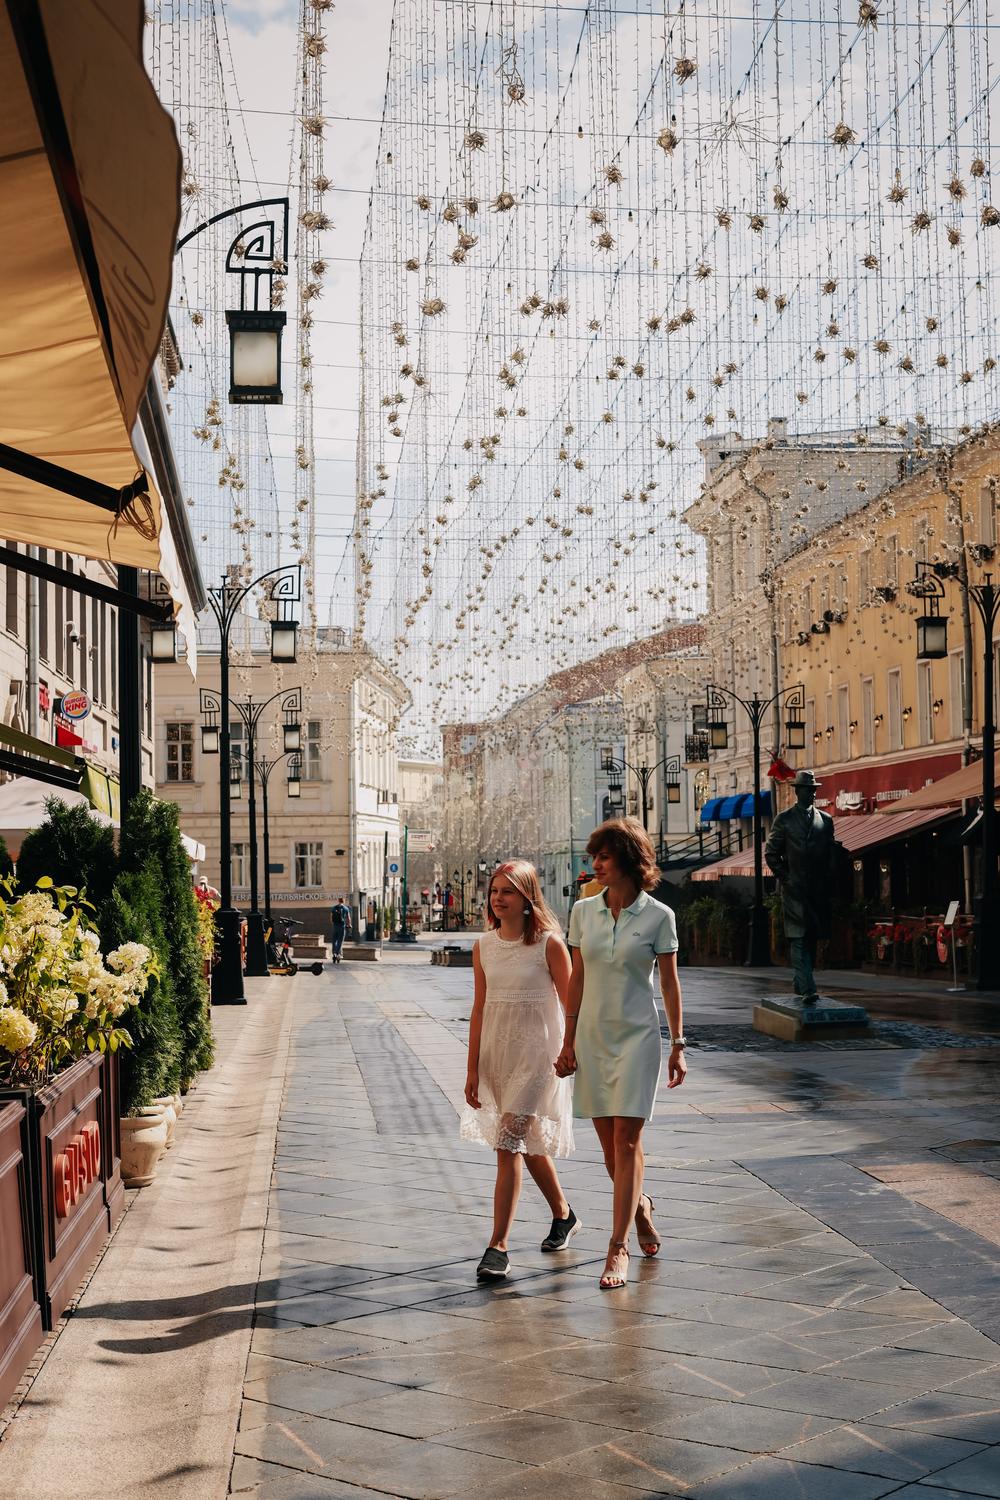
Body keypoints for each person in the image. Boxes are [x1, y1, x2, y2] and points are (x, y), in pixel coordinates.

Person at [556, 818, 687, 1289]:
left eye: (604, 857)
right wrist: (567, 1041)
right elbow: (577, 980)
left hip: (638, 1039)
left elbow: (669, 984)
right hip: (591, 1037)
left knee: (628, 1140)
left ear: (629, 860)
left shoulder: (659, 916)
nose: (595, 865)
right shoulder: (582, 913)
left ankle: (617, 1247)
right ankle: (643, 1209)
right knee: (612, 1153)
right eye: (595, 857)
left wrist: (678, 1044)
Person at [461, 860, 578, 1282]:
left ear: (527, 898)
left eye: (507, 891)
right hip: (499, 1055)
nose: (497, 898)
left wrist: (569, 1050)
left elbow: (571, 1006)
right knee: (526, 1144)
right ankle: (563, 1214)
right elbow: (478, 1010)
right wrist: (472, 1069)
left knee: (507, 1144)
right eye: (494, 891)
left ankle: (498, 1246)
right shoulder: (483, 946)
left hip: (538, 1058)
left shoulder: (549, 944)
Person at [765, 770, 838, 1004]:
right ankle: (807, 987)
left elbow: (829, 852)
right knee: (798, 936)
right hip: (794, 890)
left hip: (817, 891)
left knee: (813, 938)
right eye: (808, 789)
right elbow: (771, 853)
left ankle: (800, 980)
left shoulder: (825, 820)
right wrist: (786, 878)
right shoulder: (784, 820)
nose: (813, 793)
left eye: (814, 789)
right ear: (797, 791)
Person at [329, 897, 351, 963]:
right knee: (340, 941)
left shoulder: (334, 908)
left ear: (338, 901)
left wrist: (333, 923)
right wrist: (349, 924)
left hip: (335, 926)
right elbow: (348, 918)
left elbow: (331, 916)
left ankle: (334, 953)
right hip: (342, 926)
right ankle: (337, 953)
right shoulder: (346, 908)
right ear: (343, 901)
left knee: (334, 941)